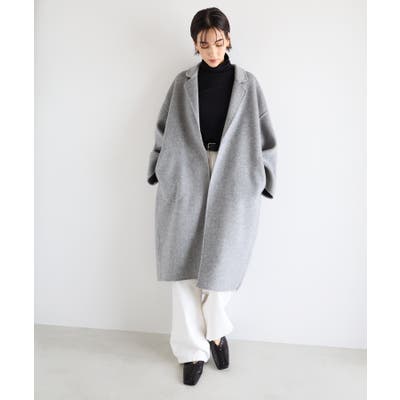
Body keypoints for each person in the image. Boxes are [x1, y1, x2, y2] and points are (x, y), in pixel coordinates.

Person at [147, 7, 277, 386]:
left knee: (224, 265)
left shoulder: (248, 84)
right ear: (195, 44)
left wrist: (265, 175)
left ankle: (216, 331)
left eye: (218, 42)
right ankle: (191, 351)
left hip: (233, 173)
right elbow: (163, 126)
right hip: (186, 173)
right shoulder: (182, 83)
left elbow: (266, 133)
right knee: (184, 267)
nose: (213, 51)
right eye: (204, 44)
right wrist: (158, 166)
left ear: (228, 39)